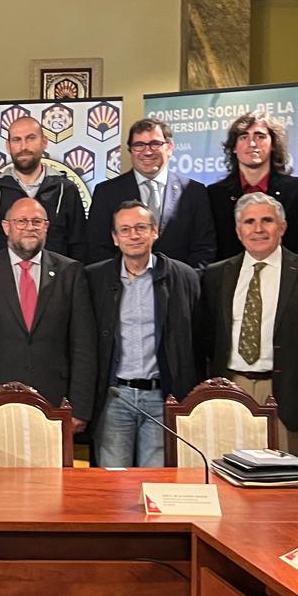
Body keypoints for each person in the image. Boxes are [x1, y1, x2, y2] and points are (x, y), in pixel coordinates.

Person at [200, 192, 298, 458]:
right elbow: (207, 335)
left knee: (286, 484)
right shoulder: (217, 275)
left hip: (286, 391)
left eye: (267, 220)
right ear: (238, 231)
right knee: (230, 474)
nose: (258, 229)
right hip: (232, 385)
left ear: (282, 227)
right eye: (249, 222)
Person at [0, 196, 95, 426]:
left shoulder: (70, 272)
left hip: (55, 401)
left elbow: (84, 346)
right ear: (6, 227)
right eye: (21, 221)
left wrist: (79, 409)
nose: (29, 227)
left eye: (37, 221)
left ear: (47, 227)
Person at [85, 200, 200, 467]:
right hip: (114, 398)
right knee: (112, 487)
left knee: (158, 484)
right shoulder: (95, 279)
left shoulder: (183, 277)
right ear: (115, 238)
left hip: (162, 398)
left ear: (155, 231)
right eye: (125, 230)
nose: (134, 235)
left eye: (140, 227)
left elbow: (200, 339)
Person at [85, 117, 215, 268]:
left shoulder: (194, 192)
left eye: (155, 144)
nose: (147, 152)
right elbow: (97, 248)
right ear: (130, 151)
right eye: (139, 145)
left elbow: (204, 248)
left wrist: (187, 284)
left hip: (179, 286)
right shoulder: (106, 192)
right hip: (123, 287)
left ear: (170, 147)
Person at [207, 112, 298, 261]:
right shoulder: (214, 195)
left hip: (289, 280)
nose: (252, 143)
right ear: (234, 148)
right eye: (244, 137)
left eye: (260, 136)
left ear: (273, 144)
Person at [0, 113, 88, 262]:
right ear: (8, 146)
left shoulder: (66, 190)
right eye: (17, 140)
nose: (24, 147)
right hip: (2, 281)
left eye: (31, 138)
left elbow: (79, 246)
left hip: (56, 282)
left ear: (44, 142)